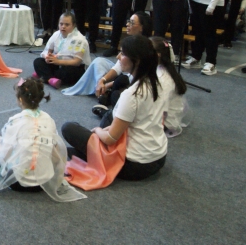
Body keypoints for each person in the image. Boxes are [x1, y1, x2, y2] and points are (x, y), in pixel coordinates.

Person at [62, 35, 167, 183]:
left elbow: (110, 139)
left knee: (69, 128)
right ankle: (84, 153)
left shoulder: (132, 94)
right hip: (159, 157)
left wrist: (97, 131)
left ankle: (89, 155)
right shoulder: (157, 83)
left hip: (134, 165)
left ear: (136, 60)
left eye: (122, 54)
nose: (118, 57)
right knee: (109, 117)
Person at [0, 77, 86, 202]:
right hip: (44, 182)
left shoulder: (15, 120)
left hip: (19, 183)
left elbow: (5, 154)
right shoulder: (48, 119)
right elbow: (52, 147)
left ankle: (11, 173)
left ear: (20, 99)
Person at [63, 11, 152, 103]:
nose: (127, 24)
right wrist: (102, 80)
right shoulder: (129, 42)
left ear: (142, 27)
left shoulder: (147, 47)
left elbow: (136, 75)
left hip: (133, 78)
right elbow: (118, 67)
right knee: (98, 62)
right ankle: (101, 89)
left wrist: (110, 83)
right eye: (128, 21)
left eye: (132, 22)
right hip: (124, 73)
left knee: (121, 82)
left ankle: (106, 91)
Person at [33, 12, 91, 89]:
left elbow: (77, 62)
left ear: (74, 25)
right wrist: (48, 57)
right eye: (61, 24)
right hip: (57, 63)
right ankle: (50, 79)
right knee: (37, 62)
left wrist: (58, 62)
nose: (63, 27)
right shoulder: (56, 34)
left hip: (74, 67)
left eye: (67, 25)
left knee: (65, 72)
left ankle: (44, 75)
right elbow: (48, 51)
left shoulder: (80, 39)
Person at [150, 37, 189, 138]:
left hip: (166, 122)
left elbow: (161, 111)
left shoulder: (164, 79)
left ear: (158, 55)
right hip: (162, 115)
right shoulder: (162, 68)